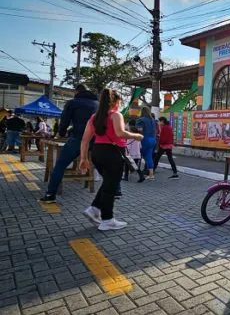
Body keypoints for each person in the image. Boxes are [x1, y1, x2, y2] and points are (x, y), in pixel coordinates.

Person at [80, 89, 143, 231]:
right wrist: (136, 136)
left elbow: (84, 140)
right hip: (113, 153)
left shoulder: (94, 117)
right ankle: (107, 220)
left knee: (108, 182)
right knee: (111, 187)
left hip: (97, 152)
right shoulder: (116, 115)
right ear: (115, 101)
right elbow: (120, 133)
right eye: (119, 101)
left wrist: (83, 158)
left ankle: (94, 209)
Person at [39, 84, 99, 204]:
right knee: (104, 168)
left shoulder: (73, 102)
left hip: (78, 139)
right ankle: (113, 192)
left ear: (76, 92)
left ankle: (51, 195)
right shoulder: (98, 104)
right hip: (96, 141)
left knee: (60, 165)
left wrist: (60, 134)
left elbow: (64, 120)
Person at [137, 107, 157, 180]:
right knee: (149, 157)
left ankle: (133, 171)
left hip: (144, 139)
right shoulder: (153, 120)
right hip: (153, 140)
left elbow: (140, 131)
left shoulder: (141, 120)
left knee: (137, 155)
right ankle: (151, 175)